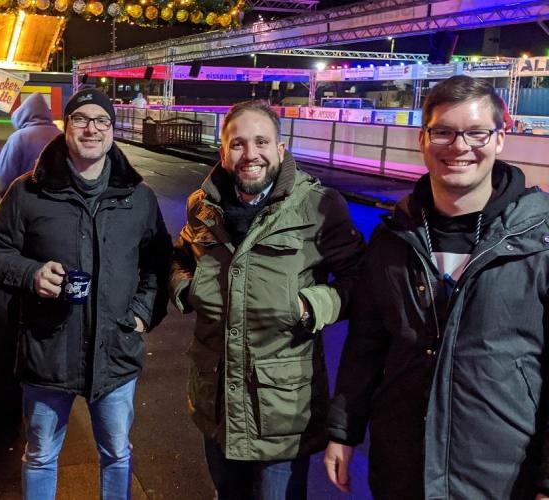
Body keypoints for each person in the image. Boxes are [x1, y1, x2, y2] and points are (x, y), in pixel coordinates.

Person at [325, 75, 549, 499]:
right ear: (423, 140)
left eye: (476, 132)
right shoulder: (393, 239)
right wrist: (344, 431)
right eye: (443, 132)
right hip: (403, 468)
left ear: (501, 138)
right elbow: (366, 346)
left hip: (502, 477)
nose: (460, 146)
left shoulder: (539, 238)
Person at [0, 88, 171, 500]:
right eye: (82, 118)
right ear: (67, 127)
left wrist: (140, 314)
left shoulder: (137, 197)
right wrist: (31, 274)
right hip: (48, 351)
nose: (92, 128)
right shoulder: (28, 192)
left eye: (102, 121)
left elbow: (160, 260)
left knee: (117, 453)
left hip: (115, 351)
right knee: (42, 453)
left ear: (113, 132)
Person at [169, 100, 365, 500]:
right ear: (222, 152)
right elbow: (180, 257)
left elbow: (360, 280)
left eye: (261, 141)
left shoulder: (318, 206)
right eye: (237, 144)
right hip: (217, 400)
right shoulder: (202, 207)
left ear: (280, 148)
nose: (250, 154)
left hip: (282, 409)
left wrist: (310, 305)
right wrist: (185, 290)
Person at [0, 92, 62, 199]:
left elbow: (3, 179)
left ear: (23, 116)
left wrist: (3, 199)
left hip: (26, 203)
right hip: (58, 203)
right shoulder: (61, 136)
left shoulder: (18, 138)